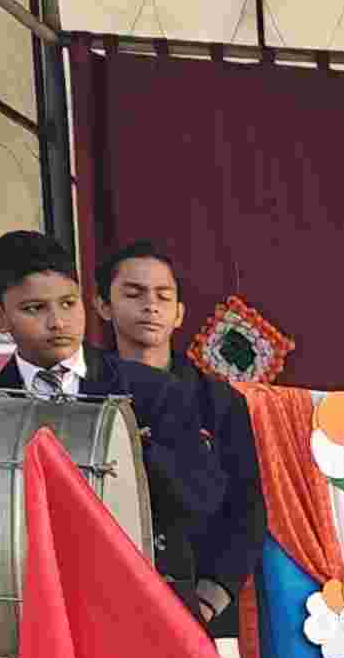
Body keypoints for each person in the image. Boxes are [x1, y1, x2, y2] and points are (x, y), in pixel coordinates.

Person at [0, 229, 229, 634]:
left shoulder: (154, 393)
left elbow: (202, 499)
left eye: (68, 303)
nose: (57, 322)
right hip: (28, 620)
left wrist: (133, 451)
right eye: (34, 308)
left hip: (147, 618)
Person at [97, 239, 262, 629]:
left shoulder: (219, 402)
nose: (150, 306)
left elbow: (247, 506)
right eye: (133, 294)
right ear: (103, 306)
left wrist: (208, 598)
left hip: (194, 605)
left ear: (179, 313)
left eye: (163, 296)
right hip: (103, 598)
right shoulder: (87, 393)